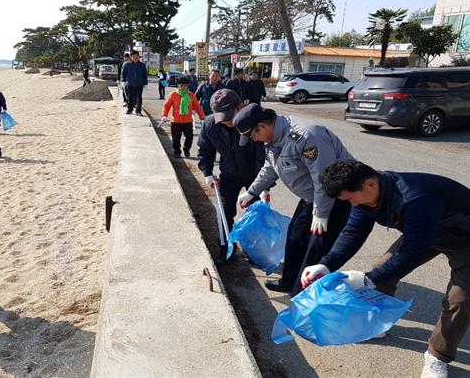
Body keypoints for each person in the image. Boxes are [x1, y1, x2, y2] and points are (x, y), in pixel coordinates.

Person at [300, 161, 470, 378]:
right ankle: (379, 324)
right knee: (382, 271)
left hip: (464, 237)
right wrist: (326, 264)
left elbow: (412, 252)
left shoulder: (415, 198)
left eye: (352, 198)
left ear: (370, 184)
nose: (353, 203)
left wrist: (367, 279)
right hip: (424, 232)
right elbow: (354, 231)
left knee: (460, 299)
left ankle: (437, 356)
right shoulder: (364, 200)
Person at [233, 104, 355, 295]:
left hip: (336, 197)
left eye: (252, 135)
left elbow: (324, 179)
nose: (254, 140)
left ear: (262, 126)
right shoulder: (274, 139)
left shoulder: (307, 136)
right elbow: (270, 167)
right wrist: (252, 191)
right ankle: (289, 281)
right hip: (310, 197)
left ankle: (303, 293)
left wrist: (322, 214)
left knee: (316, 247)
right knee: (295, 238)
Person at [197, 90, 265, 263]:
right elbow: (206, 150)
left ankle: (252, 250)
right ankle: (226, 247)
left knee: (255, 215)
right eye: (222, 117)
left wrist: (263, 186)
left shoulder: (255, 122)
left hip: (254, 176)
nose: (227, 122)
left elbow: (263, 156)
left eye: (229, 116)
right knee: (223, 212)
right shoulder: (211, 125)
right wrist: (207, 172)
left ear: (240, 106)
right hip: (229, 174)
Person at [161, 76, 205, 158]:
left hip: (188, 121)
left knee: (189, 137)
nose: (183, 87)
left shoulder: (191, 95)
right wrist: (164, 115)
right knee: (176, 139)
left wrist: (202, 116)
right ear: (178, 86)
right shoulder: (173, 95)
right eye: (181, 85)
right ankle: (177, 152)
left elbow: (197, 107)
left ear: (187, 86)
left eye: (184, 85)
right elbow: (166, 106)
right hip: (176, 121)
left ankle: (186, 150)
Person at [121, 50, 148, 115]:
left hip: (139, 84)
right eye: (134, 56)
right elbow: (123, 74)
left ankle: (138, 111)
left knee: (139, 98)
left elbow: (144, 74)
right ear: (131, 57)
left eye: (137, 56)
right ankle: (130, 109)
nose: (135, 58)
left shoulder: (142, 65)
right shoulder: (127, 65)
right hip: (130, 84)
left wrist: (145, 83)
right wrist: (123, 81)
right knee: (130, 98)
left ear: (139, 57)